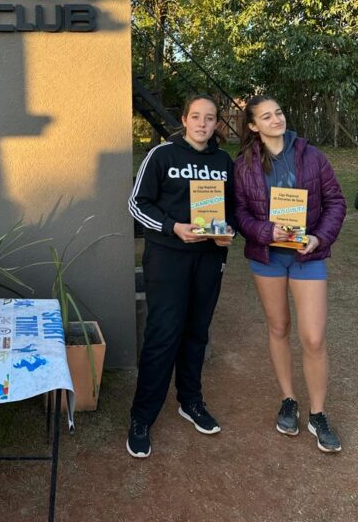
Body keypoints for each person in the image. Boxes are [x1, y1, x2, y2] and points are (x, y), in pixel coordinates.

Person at [234, 95, 346, 453]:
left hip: (306, 256)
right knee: (279, 328)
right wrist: (267, 231)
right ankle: (288, 400)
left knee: (313, 338)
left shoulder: (312, 156)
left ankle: (318, 413)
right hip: (267, 258)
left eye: (279, 112)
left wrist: (318, 237)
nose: (276, 119)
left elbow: (336, 202)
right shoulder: (244, 164)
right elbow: (239, 213)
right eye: (266, 116)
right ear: (254, 126)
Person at [127, 94, 235, 458]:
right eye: (196, 116)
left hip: (209, 258)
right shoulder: (162, 155)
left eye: (210, 118)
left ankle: (190, 401)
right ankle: (142, 416)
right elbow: (137, 204)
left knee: (197, 332)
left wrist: (228, 231)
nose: (203, 123)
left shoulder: (223, 162)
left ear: (216, 123)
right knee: (163, 334)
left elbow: (232, 209)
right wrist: (172, 227)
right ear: (185, 119)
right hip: (168, 257)